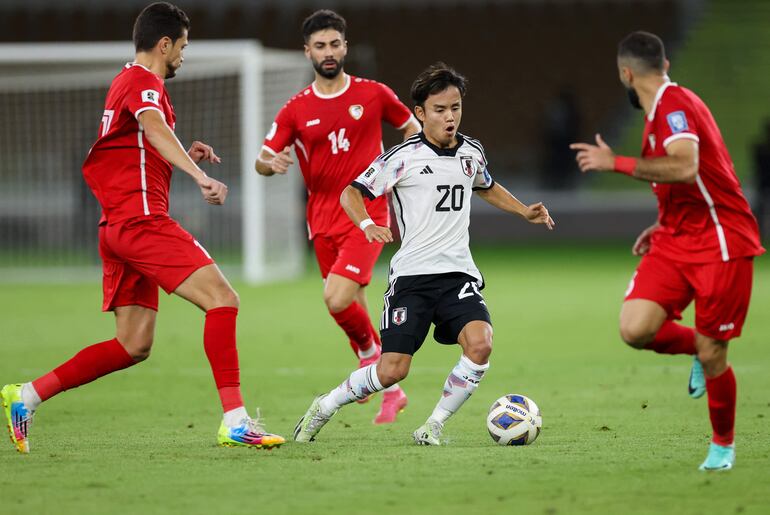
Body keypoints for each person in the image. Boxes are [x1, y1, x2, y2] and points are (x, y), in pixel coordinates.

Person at [0, 2, 284, 453]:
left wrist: (186, 152)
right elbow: (150, 128)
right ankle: (235, 420)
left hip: (116, 226)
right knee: (223, 299)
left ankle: (27, 395)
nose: (183, 57)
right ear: (164, 43)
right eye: (182, 47)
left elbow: (137, 142)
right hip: (141, 222)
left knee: (133, 344)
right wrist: (199, 175)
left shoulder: (125, 83)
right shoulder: (141, 80)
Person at [293, 62, 554, 445]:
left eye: (456, 108)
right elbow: (351, 193)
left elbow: (485, 185)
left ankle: (433, 425)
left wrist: (523, 210)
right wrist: (367, 225)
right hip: (412, 278)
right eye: (440, 110)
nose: (450, 117)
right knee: (393, 370)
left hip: (458, 275)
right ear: (420, 113)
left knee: (480, 344)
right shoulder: (403, 157)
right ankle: (326, 405)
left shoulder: (472, 151)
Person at [570, 31, 764, 471]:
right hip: (678, 237)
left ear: (625, 73)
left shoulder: (675, 106)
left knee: (718, 354)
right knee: (636, 328)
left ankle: (722, 445)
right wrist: (664, 221)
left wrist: (613, 162)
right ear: (665, 64)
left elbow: (686, 165)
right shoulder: (660, 111)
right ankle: (697, 347)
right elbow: (700, 177)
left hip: (721, 241)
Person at [255, 9, 421, 424]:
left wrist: (404, 168)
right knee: (353, 304)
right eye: (320, 46)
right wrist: (269, 165)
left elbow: (412, 127)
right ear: (307, 51)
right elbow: (262, 156)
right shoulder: (296, 108)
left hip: (367, 211)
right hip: (321, 219)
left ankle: (371, 371)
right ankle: (390, 389)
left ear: (345, 47)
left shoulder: (373, 94)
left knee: (336, 298)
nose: (328, 53)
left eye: (334, 44)